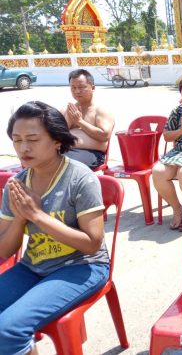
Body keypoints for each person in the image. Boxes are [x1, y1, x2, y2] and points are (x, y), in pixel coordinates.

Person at [0, 101, 109, 355]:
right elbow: (5, 249)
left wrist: (37, 216)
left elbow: (93, 243)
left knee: (7, 329)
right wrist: (20, 217)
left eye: (33, 139)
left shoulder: (80, 178)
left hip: (82, 267)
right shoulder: (16, 185)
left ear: (57, 140)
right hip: (33, 267)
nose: (23, 148)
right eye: (16, 140)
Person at [151, 77, 182, 231]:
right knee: (157, 172)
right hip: (179, 151)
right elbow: (166, 135)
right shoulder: (178, 111)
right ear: (181, 95)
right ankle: (177, 208)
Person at [62, 69, 115, 170]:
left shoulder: (101, 110)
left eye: (81, 87)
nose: (77, 91)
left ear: (93, 87)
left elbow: (104, 136)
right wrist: (69, 122)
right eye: (73, 88)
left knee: (67, 166)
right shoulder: (66, 110)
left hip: (91, 153)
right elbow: (54, 135)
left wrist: (80, 122)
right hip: (65, 150)